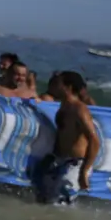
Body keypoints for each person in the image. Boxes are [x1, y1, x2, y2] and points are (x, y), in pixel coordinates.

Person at [34, 71, 100, 205]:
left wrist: (84, 171)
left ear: (68, 87)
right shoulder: (63, 107)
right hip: (59, 161)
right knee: (44, 201)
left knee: (62, 206)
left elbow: (94, 140)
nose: (54, 86)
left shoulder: (79, 109)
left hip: (75, 164)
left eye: (58, 83)